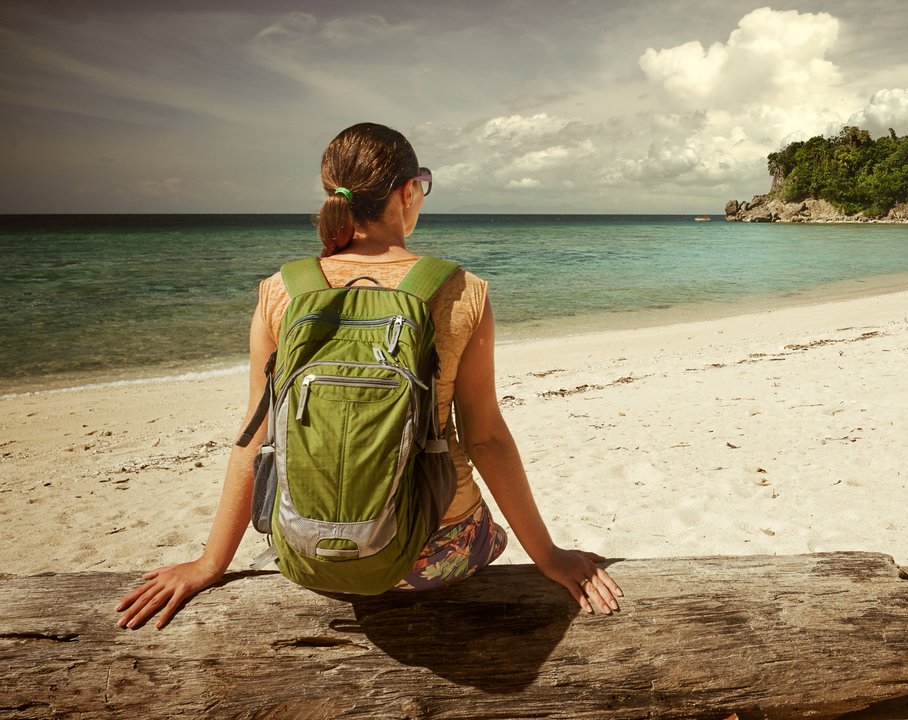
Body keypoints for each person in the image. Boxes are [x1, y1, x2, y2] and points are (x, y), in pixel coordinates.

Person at [116, 123, 622, 630]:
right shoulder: (462, 290)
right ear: (408, 192)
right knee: (491, 532)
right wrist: (550, 557)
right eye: (421, 184)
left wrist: (209, 565)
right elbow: (486, 438)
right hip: (431, 560)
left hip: (309, 559)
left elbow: (256, 434)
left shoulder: (281, 290)